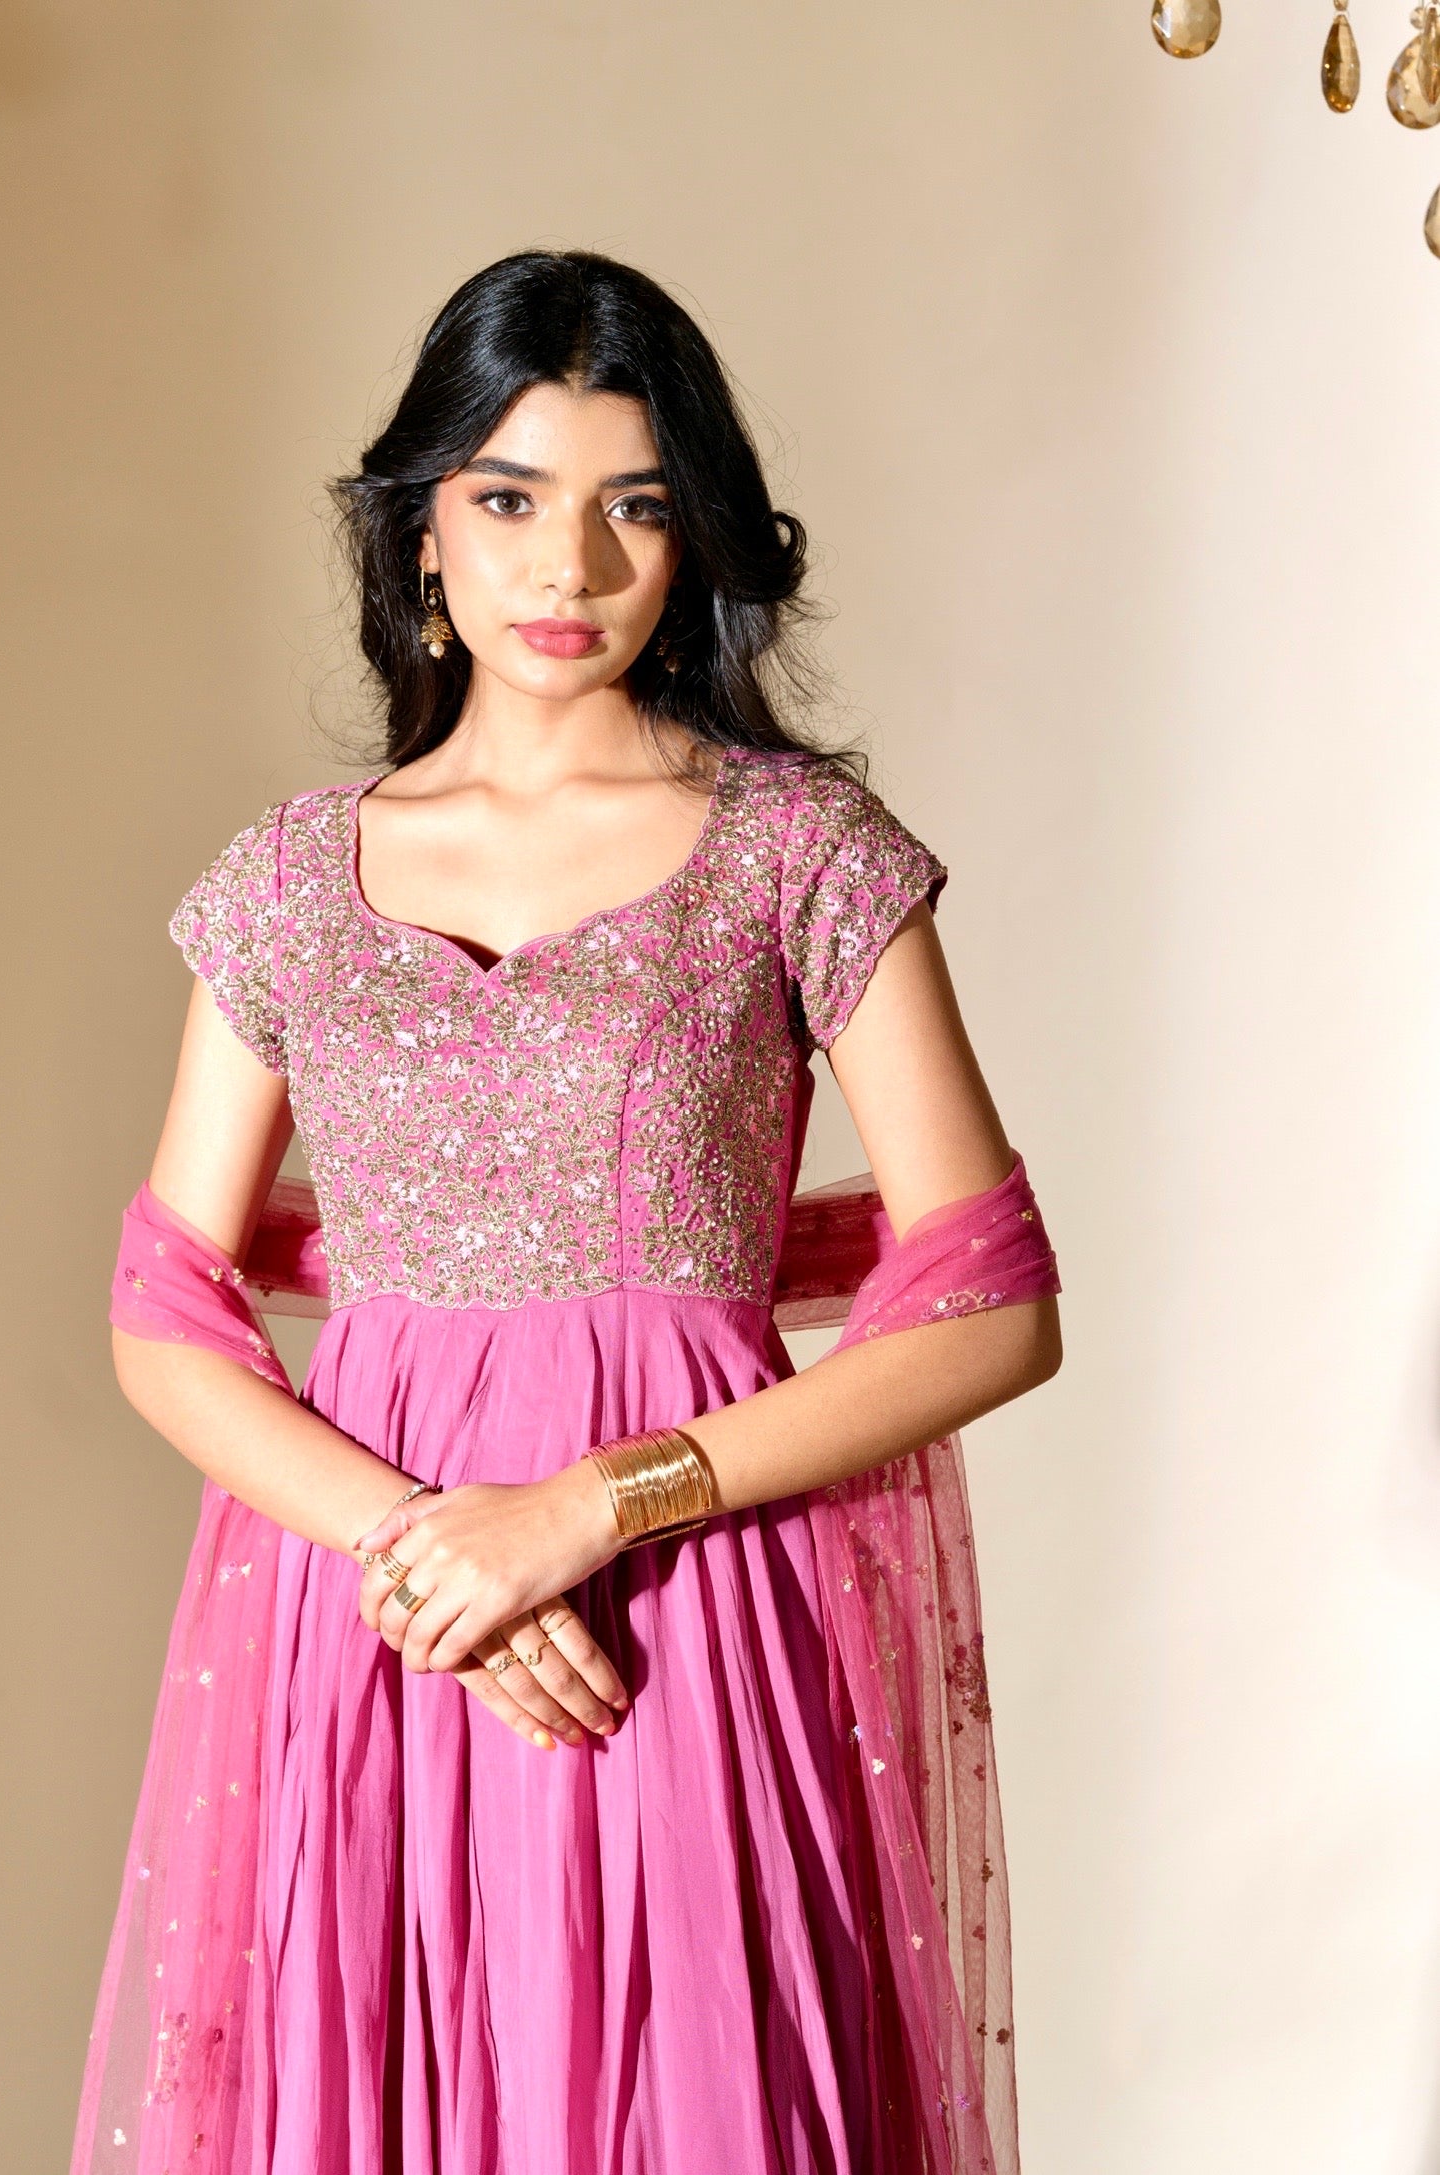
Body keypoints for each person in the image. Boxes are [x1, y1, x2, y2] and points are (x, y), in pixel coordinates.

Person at [71, 250, 1062, 2175]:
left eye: (635, 508)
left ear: (695, 546)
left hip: (679, 1626)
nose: (570, 568)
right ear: (419, 530)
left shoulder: (798, 855)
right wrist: (432, 1548)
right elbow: (164, 1309)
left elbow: (988, 1300)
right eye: (510, 499)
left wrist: (584, 1512)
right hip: (390, 1639)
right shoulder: (289, 881)